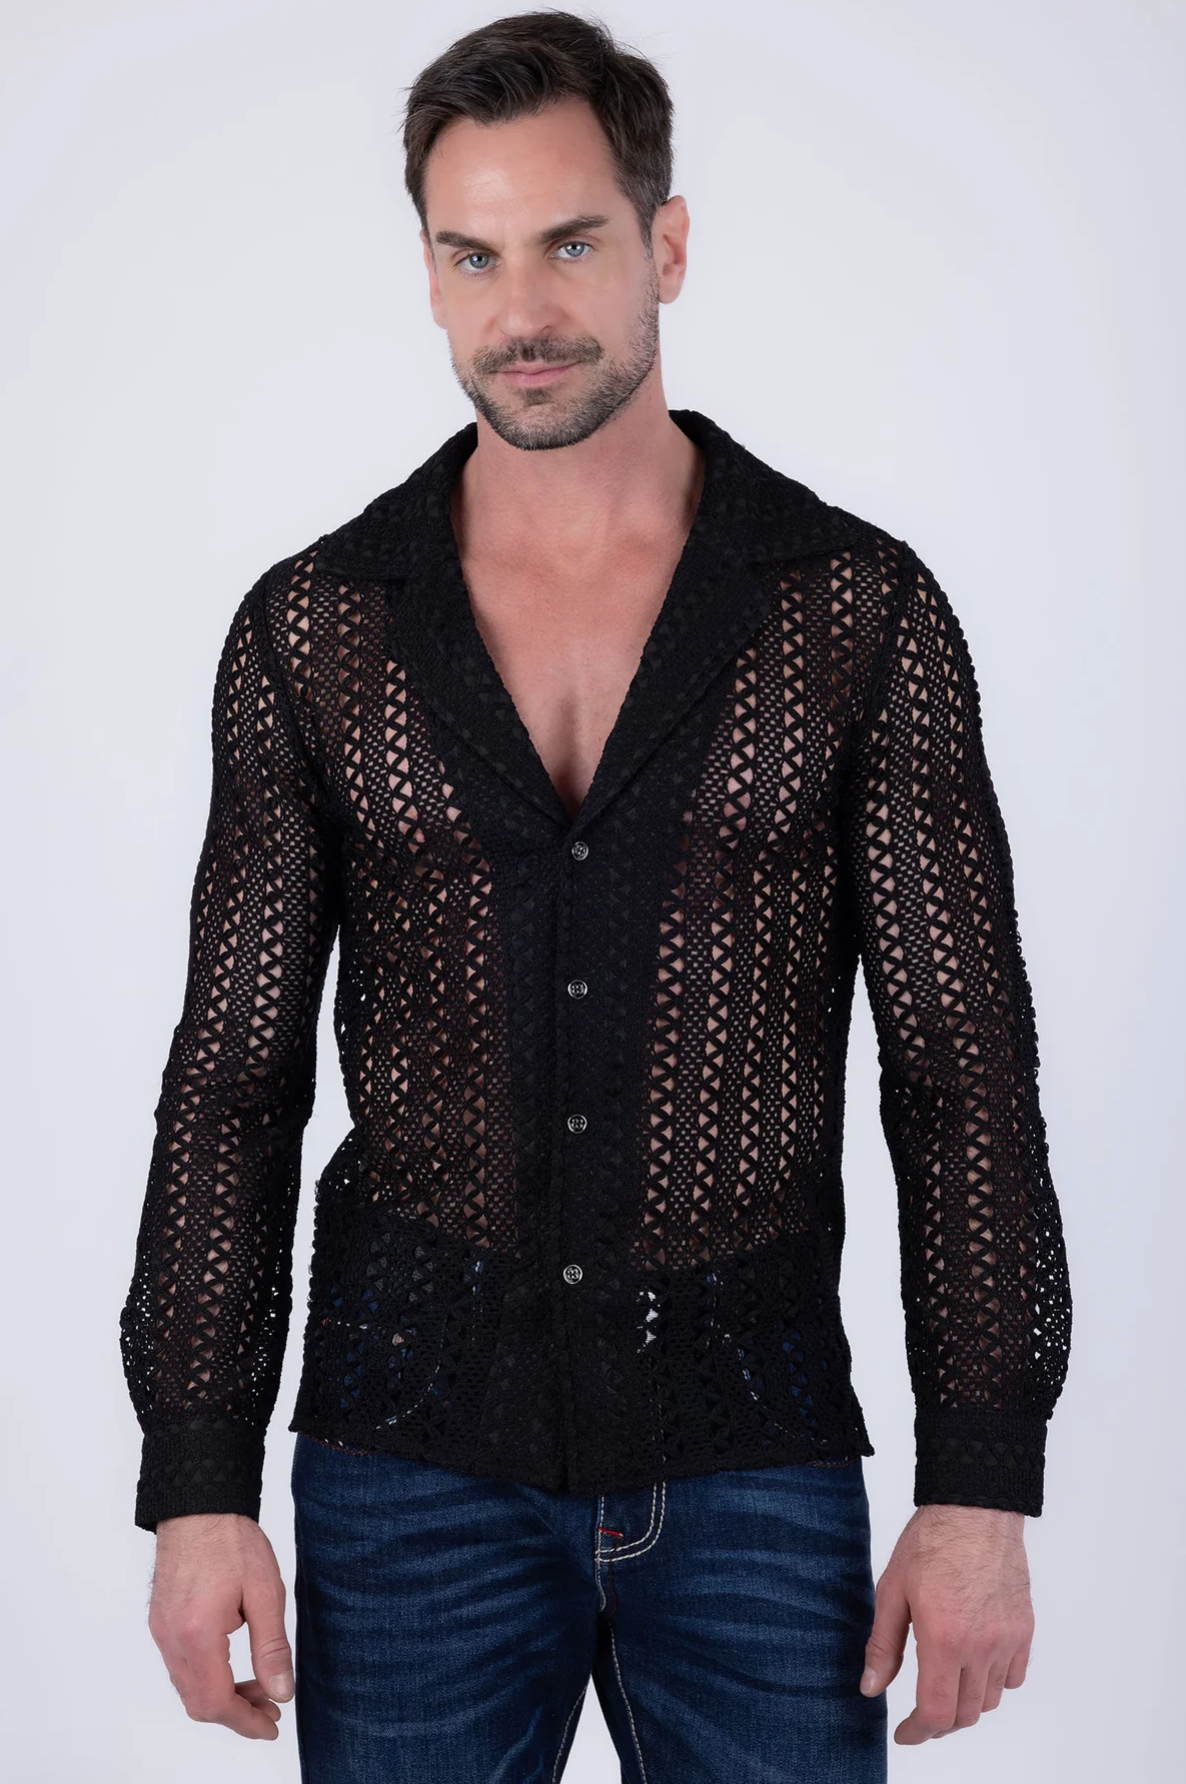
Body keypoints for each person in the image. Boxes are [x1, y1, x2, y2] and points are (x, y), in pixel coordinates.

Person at [120, 11, 1072, 1781]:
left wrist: (977, 1486)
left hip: (753, 1456)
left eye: (569, 243)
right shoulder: (318, 631)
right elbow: (232, 1079)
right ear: (427, 273)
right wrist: (195, 1480)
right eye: (472, 255)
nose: (523, 310)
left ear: (666, 244)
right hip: (407, 1466)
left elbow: (961, 1073)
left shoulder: (848, 610)